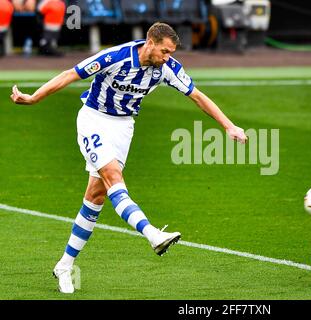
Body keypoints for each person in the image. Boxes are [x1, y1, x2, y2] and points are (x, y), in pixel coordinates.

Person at [10, 22, 248, 294]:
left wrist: (228, 125)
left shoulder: (167, 69)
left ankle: (64, 265)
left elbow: (197, 96)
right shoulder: (116, 57)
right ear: (150, 42)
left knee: (96, 196)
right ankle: (153, 234)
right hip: (93, 120)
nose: (167, 57)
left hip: (124, 128)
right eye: (165, 51)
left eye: (171, 52)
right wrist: (34, 98)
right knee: (113, 177)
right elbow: (71, 74)